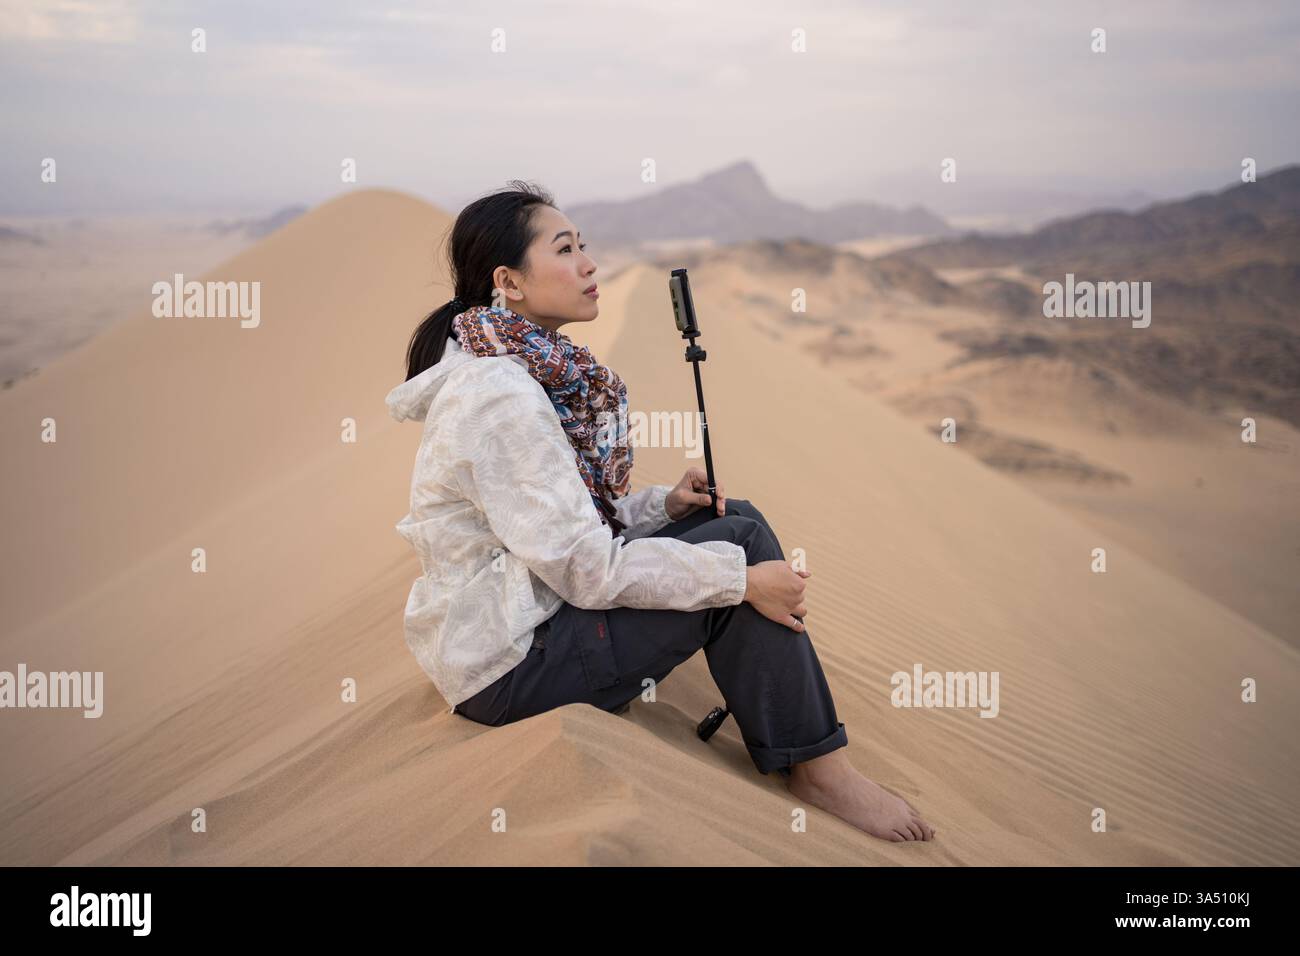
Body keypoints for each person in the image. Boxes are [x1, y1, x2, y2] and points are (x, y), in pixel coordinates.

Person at [385, 180, 935, 843]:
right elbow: (584, 568)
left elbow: (569, 522)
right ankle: (816, 768)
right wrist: (738, 583)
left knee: (741, 523)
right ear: (510, 282)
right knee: (733, 560)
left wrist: (663, 506)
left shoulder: (525, 370)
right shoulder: (500, 395)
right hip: (509, 668)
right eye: (566, 249)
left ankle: (787, 721)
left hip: (536, 618)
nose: (589, 264)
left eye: (583, 245)